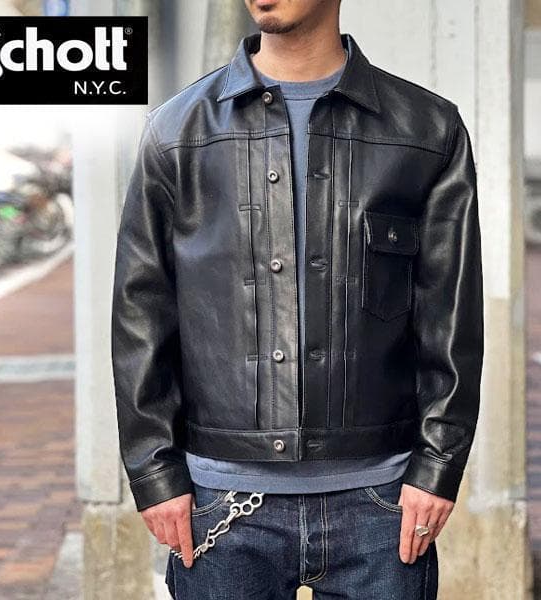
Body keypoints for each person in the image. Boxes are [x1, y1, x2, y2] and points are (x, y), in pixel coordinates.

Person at [110, 0, 484, 598]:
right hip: (221, 502)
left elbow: (451, 315)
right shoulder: (176, 131)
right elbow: (141, 313)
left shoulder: (427, 130)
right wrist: (155, 473)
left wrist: (438, 467)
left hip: (382, 504)